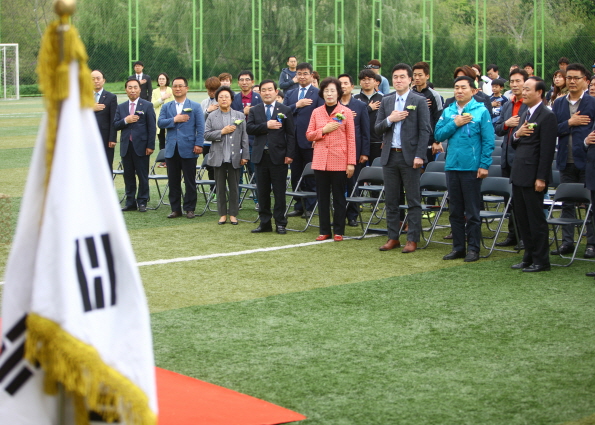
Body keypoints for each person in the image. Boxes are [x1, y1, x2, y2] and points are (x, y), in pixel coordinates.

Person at [435, 76, 494, 262]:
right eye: (456, 88)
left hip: (472, 168)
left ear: (473, 91)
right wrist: (455, 123)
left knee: (472, 211)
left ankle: (474, 248)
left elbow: (488, 141)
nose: (459, 91)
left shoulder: (481, 111)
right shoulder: (448, 110)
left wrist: (484, 165)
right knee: (455, 210)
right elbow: (438, 134)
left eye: (463, 88)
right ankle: (458, 247)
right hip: (452, 165)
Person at [375, 63, 432, 253]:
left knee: (413, 200)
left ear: (410, 79)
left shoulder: (419, 100)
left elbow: (425, 130)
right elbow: (377, 128)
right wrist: (390, 119)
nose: (398, 80)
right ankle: (393, 237)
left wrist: (420, 155)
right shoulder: (387, 101)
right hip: (390, 156)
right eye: (395, 77)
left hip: (410, 157)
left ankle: (412, 238)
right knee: (391, 200)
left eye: (402, 77)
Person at [509, 77, 557, 272]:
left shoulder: (546, 116)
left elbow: (546, 151)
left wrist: (541, 178)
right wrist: (516, 134)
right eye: (523, 89)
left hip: (533, 176)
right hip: (519, 172)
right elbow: (514, 142)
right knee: (522, 218)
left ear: (539, 93)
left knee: (535, 219)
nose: (524, 92)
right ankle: (528, 256)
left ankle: (541, 260)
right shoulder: (524, 113)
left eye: (528, 89)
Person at [551, 63, 595, 258]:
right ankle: (567, 242)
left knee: (591, 205)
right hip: (565, 160)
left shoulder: (592, 103)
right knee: (566, 203)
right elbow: (552, 129)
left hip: (587, 161)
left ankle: (591, 244)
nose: (572, 81)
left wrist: (586, 140)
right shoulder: (559, 103)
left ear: (585, 80)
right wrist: (570, 122)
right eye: (569, 78)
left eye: (577, 78)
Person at [306, 77, 356, 241]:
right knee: (322, 197)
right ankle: (324, 230)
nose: (329, 94)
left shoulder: (346, 112)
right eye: (326, 91)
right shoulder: (316, 112)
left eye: (332, 91)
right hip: (320, 160)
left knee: (339, 197)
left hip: (339, 160)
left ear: (338, 93)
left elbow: (351, 139)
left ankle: (339, 230)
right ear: (322, 93)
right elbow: (309, 135)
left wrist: (351, 163)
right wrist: (324, 130)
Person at [246, 79, 296, 234]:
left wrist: (289, 154)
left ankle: (281, 223)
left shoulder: (285, 109)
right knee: (262, 192)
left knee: (279, 192)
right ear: (259, 92)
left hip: (279, 157)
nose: (267, 93)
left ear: (276, 92)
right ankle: (265, 223)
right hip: (260, 157)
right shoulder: (255, 110)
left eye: (269, 90)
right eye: (263, 90)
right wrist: (266, 125)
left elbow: (291, 134)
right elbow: (249, 128)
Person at [158, 77, 204, 219]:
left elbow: (200, 127)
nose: (177, 88)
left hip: (189, 148)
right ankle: (175, 209)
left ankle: (190, 208)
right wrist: (174, 120)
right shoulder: (167, 106)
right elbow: (160, 123)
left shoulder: (195, 106)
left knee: (190, 180)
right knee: (173, 180)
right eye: (175, 86)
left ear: (186, 88)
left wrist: (198, 144)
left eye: (180, 86)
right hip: (172, 149)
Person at [283, 62, 324, 218]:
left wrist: (317, 136)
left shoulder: (317, 93)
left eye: (305, 73)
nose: (302, 76)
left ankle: (311, 206)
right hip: (293, 141)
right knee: (296, 175)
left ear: (311, 75)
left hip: (310, 141)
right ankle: (299, 205)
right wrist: (296, 105)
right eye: (299, 73)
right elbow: (283, 113)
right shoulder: (290, 94)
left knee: (311, 176)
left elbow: (321, 116)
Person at [494, 68, 529, 248]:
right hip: (507, 157)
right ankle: (512, 234)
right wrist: (507, 124)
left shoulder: (530, 105)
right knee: (511, 200)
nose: (515, 85)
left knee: (522, 201)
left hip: (523, 159)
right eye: (512, 82)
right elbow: (498, 128)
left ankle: (525, 237)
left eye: (518, 81)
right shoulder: (507, 104)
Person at [204, 86, 250, 225]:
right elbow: (206, 134)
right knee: (220, 187)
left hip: (235, 157)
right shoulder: (212, 116)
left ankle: (233, 214)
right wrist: (222, 132)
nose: (224, 99)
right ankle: (222, 214)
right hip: (218, 157)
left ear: (231, 99)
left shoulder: (239, 115)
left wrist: (245, 155)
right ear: (217, 100)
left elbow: (244, 137)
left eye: (226, 97)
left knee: (234, 187)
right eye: (221, 97)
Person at [113, 78, 156, 213]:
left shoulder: (147, 105)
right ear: (126, 90)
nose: (132, 90)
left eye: (135, 87)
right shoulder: (121, 107)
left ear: (140, 89)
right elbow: (115, 125)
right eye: (130, 88)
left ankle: (142, 201)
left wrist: (150, 146)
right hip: (126, 146)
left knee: (142, 175)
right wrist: (126, 120)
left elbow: (151, 127)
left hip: (142, 146)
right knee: (128, 175)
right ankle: (130, 201)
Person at [338, 73, 370, 227]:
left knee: (353, 184)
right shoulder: (331, 105)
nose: (343, 86)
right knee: (337, 186)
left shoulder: (360, 105)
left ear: (352, 86)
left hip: (354, 152)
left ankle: (352, 215)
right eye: (340, 83)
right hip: (336, 152)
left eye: (346, 83)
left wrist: (364, 152)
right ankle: (338, 215)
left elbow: (365, 131)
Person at [412, 61, 444, 162]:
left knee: (426, 171)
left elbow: (438, 118)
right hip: (411, 140)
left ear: (427, 76)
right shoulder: (409, 94)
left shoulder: (434, 95)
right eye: (414, 75)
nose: (417, 78)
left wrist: (436, 141)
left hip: (428, 140)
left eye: (420, 75)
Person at [354, 68, 384, 165]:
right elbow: (354, 116)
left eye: (369, 79)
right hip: (359, 141)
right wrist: (369, 108)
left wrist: (385, 139)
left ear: (375, 81)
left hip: (377, 141)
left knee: (376, 172)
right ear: (360, 82)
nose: (366, 82)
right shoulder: (355, 98)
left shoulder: (383, 98)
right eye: (363, 79)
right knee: (360, 173)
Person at [91, 69, 117, 169]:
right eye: (93, 79)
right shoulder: (83, 97)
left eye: (98, 78)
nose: (96, 81)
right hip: (88, 137)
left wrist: (112, 138)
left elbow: (113, 119)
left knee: (106, 166)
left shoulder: (111, 97)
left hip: (105, 138)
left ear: (103, 80)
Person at [200, 76, 222, 181]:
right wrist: (208, 111)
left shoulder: (223, 101)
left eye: (214, 90)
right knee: (209, 166)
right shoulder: (204, 102)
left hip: (219, 139)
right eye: (209, 90)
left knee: (220, 166)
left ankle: (221, 189)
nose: (211, 92)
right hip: (206, 141)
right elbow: (200, 119)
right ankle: (213, 188)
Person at [151, 72, 174, 167]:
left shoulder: (171, 90)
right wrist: (162, 98)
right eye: (160, 79)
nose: (161, 81)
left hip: (169, 118)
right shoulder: (155, 91)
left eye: (163, 79)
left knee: (170, 138)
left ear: (167, 80)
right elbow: (153, 104)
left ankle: (170, 159)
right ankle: (163, 160)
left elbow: (173, 103)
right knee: (161, 139)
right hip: (159, 118)